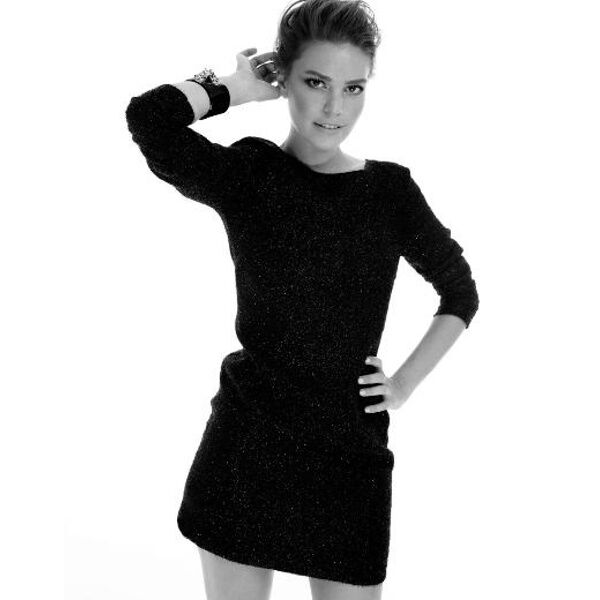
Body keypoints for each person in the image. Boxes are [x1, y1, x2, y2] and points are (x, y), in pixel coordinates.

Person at [125, 0, 479, 598]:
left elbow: (460, 292)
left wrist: (402, 385)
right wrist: (234, 88)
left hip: (349, 457)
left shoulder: (389, 191)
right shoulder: (251, 175)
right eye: (316, 82)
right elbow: (149, 119)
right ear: (284, 79)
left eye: (353, 87)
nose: (335, 107)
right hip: (246, 451)